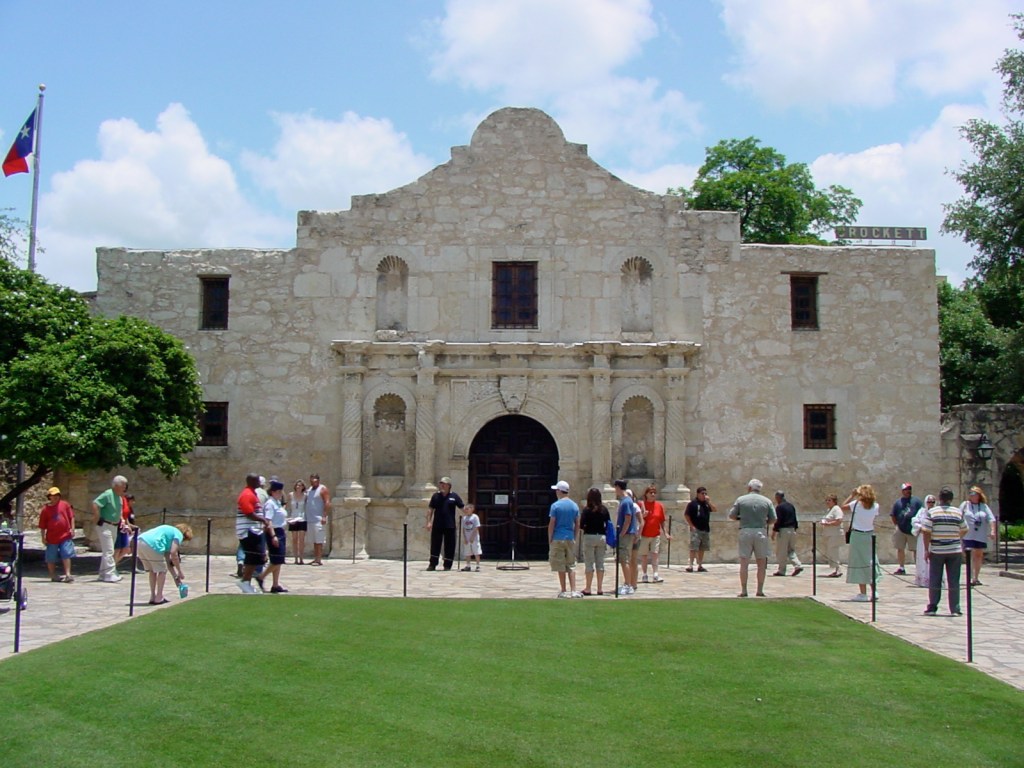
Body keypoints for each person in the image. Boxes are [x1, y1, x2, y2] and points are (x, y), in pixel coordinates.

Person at [921, 487, 968, 616]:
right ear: (951, 499)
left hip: (937, 550)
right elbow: (964, 528)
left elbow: (926, 531)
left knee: (935, 579)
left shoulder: (933, 512)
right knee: (954, 580)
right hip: (954, 549)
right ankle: (955, 608)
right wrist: (956, 537)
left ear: (940, 498)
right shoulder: (958, 512)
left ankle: (933, 606)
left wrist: (926, 549)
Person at [728, 479, 776, 598]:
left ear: (749, 488)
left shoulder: (741, 499)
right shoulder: (767, 501)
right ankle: (760, 590)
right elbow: (773, 519)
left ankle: (744, 590)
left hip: (745, 531)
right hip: (761, 531)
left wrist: (741, 518)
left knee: (744, 562)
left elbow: (732, 515)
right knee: (761, 563)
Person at [841, 484, 882, 602]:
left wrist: (851, 495)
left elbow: (842, 507)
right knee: (870, 562)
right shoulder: (876, 506)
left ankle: (863, 593)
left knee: (859, 562)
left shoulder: (856, 505)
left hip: (858, 535)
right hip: (869, 535)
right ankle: (874, 591)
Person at [136, 523, 193, 605]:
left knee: (153, 570)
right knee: (162, 571)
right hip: (153, 544)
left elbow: (167, 561)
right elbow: (173, 553)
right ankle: (159, 597)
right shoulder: (178, 534)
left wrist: (176, 578)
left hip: (140, 542)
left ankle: (153, 596)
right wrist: (180, 571)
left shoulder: (168, 533)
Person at [236, 472, 273, 593]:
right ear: (251, 481)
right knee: (253, 556)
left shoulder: (253, 493)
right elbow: (248, 512)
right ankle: (245, 581)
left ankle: (247, 582)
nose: (259, 482)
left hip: (254, 530)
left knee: (256, 557)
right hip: (248, 531)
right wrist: (263, 519)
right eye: (257, 480)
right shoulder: (247, 494)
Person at [548, 480, 581, 598]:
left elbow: (552, 523)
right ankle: (574, 590)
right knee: (571, 564)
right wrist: (575, 536)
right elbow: (577, 523)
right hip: (570, 537)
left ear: (559, 491)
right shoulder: (574, 505)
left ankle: (563, 590)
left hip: (558, 537)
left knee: (560, 564)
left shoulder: (555, 506)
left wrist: (550, 538)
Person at [92, 475, 129, 583]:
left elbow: (119, 511)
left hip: (114, 526)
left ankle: (103, 573)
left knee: (108, 551)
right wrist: (96, 517)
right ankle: (110, 574)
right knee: (109, 551)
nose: (124, 488)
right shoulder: (108, 494)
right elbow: (95, 504)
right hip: (105, 525)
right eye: (123, 485)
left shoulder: (119, 497)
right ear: (116, 485)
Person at [38, 486, 75, 583]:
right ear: (49, 497)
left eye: (57, 495)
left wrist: (72, 529)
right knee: (51, 557)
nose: (55, 497)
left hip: (65, 535)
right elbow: (42, 525)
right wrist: (43, 537)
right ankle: (53, 575)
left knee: (66, 554)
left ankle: (68, 574)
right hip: (52, 537)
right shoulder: (45, 509)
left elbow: (71, 517)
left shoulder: (65, 505)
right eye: (52, 496)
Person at [960, 486, 996, 586]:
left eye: (974, 493)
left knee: (978, 555)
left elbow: (991, 519)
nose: (972, 495)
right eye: (971, 493)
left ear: (979, 495)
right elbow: (959, 517)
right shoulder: (965, 505)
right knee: (970, 554)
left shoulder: (984, 506)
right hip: (967, 534)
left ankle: (976, 577)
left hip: (980, 534)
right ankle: (970, 577)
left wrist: (992, 530)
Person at [426, 476, 463, 571]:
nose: (441, 485)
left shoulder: (454, 496)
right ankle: (432, 564)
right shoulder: (435, 496)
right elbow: (430, 509)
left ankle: (447, 565)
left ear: (449, 485)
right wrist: (429, 522)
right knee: (435, 544)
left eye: (444, 484)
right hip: (437, 524)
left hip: (450, 525)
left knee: (450, 545)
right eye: (441, 483)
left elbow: (462, 508)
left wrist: (469, 517)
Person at [579, 487, 611, 595]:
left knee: (589, 563)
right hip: (601, 536)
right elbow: (608, 523)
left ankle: (588, 587)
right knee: (600, 563)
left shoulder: (587, 510)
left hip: (589, 536)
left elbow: (581, 525)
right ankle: (600, 588)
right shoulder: (604, 509)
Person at [637, 484, 669, 583]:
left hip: (655, 534)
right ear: (646, 494)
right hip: (644, 534)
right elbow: (636, 519)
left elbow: (662, 520)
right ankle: (645, 574)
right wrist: (643, 515)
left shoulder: (659, 506)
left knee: (655, 554)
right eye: (651, 492)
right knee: (644, 556)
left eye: (654, 492)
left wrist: (666, 533)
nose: (653, 494)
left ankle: (655, 574)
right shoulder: (641, 505)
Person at [890, 482, 923, 575]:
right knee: (900, 548)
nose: (908, 491)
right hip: (901, 528)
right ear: (902, 491)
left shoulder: (916, 501)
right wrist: (897, 524)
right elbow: (893, 514)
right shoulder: (898, 502)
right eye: (906, 490)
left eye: (909, 489)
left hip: (913, 530)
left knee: (915, 549)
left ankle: (919, 568)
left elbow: (922, 512)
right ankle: (901, 567)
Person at [263, 479, 289, 593]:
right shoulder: (270, 504)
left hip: (280, 530)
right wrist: (273, 536)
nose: (280, 494)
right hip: (274, 532)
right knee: (278, 559)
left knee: (278, 559)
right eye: (278, 491)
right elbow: (268, 521)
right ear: (273, 492)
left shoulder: (277, 502)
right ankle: (261, 577)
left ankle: (275, 584)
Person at [613, 480, 638, 595]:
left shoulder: (626, 502)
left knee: (624, 559)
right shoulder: (625, 501)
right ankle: (627, 583)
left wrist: (622, 533)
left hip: (626, 534)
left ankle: (628, 584)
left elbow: (628, 518)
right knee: (623, 559)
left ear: (618, 487)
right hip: (626, 533)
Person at [771, 490, 803, 577]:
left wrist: (774, 531)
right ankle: (798, 565)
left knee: (781, 551)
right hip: (792, 530)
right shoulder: (791, 506)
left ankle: (781, 570)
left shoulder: (779, 507)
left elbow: (778, 521)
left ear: (778, 497)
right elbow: (795, 519)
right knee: (790, 550)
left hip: (784, 530)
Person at [683, 486, 715, 573]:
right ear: (698, 494)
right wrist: (691, 525)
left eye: (705, 493)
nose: (704, 495)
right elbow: (687, 515)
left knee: (702, 548)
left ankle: (700, 564)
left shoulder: (706, 504)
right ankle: (690, 564)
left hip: (705, 528)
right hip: (696, 528)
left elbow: (714, 509)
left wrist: (709, 502)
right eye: (702, 493)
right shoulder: (693, 503)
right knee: (693, 547)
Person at [305, 473, 331, 566]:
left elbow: (327, 502)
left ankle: (319, 559)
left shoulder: (322, 489)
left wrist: (324, 516)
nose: (313, 482)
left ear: (318, 480)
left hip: (318, 519)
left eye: (314, 480)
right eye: (311, 480)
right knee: (314, 540)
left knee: (319, 540)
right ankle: (315, 558)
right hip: (310, 518)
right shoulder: (310, 490)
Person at [911, 495, 935, 588]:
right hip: (922, 538)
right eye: (929, 502)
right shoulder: (921, 512)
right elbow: (914, 521)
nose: (931, 504)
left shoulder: (936, 512)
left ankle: (933, 579)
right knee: (922, 557)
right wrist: (921, 528)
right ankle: (923, 580)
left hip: (933, 538)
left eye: (933, 502)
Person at [818, 493, 844, 578]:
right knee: (831, 552)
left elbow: (838, 520)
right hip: (830, 534)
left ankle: (838, 570)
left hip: (835, 534)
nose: (827, 502)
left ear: (834, 501)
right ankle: (836, 569)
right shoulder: (829, 510)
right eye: (827, 500)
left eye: (829, 500)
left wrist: (828, 524)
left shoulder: (836, 509)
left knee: (833, 551)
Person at [287, 479, 307, 565]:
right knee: (294, 539)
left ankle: (301, 558)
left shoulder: (305, 496)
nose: (299, 487)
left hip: (302, 518)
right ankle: (295, 558)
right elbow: (288, 507)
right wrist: (287, 518)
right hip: (293, 518)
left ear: (303, 487)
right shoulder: (291, 495)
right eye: (297, 485)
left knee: (301, 540)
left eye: (300, 485)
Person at [114, 492, 137, 565]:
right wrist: (128, 526)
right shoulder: (121, 503)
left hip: (126, 529)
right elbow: (122, 516)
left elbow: (126, 517)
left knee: (126, 549)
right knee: (118, 549)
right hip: (120, 528)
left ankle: (114, 564)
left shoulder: (129, 508)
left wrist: (130, 527)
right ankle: (112, 566)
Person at [460, 503, 482, 572]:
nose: (466, 510)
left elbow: (476, 527)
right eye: (465, 509)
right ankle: (468, 565)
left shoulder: (475, 517)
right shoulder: (464, 518)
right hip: (467, 538)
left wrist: (472, 537)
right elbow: (463, 529)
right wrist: (465, 538)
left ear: (472, 509)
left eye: (467, 509)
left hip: (474, 538)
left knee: (476, 552)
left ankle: (478, 565)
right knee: (467, 552)